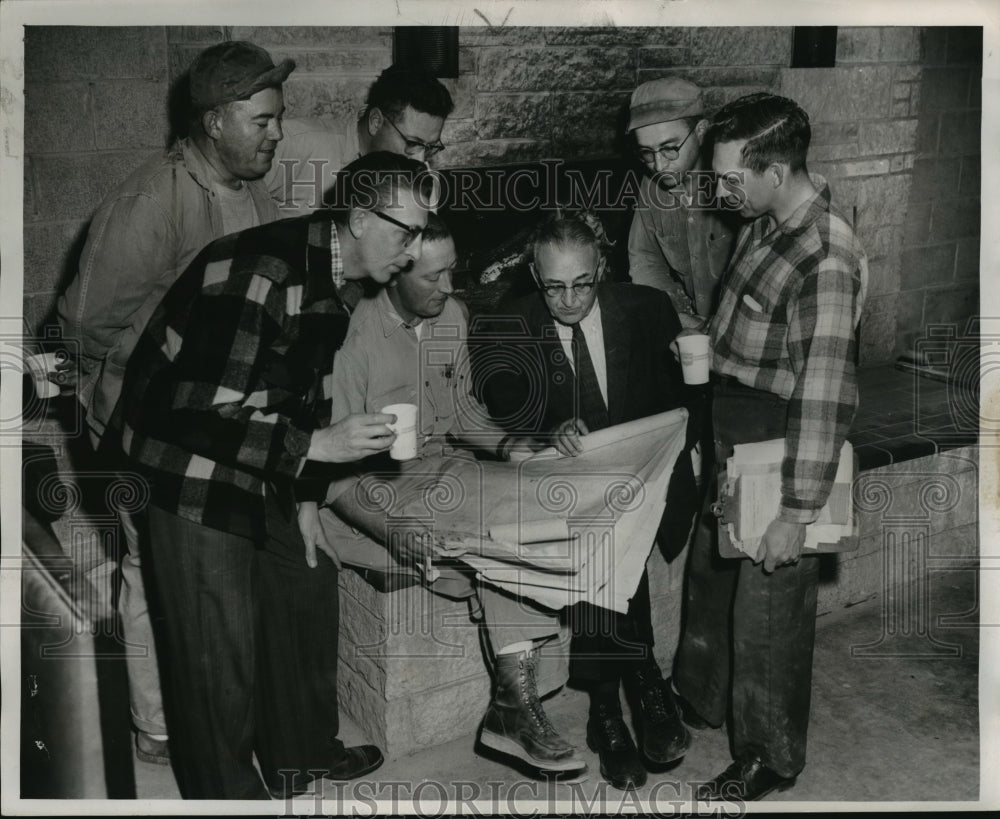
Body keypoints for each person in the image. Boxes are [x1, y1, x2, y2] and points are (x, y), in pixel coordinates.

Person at [118, 152, 432, 799]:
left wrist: (309, 495)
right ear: (356, 216)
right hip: (183, 469)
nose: (413, 251)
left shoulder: (343, 277)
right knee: (218, 660)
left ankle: (299, 755)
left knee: (307, 576)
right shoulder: (264, 270)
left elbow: (301, 390)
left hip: (257, 450)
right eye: (405, 232)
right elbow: (191, 410)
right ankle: (229, 793)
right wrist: (315, 444)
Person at [55, 40, 294, 766]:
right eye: (261, 120)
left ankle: (223, 712)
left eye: (277, 118)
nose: (275, 133)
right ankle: (156, 726)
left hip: (224, 427)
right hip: (147, 427)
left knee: (217, 576)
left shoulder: (254, 190)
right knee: (155, 578)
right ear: (214, 121)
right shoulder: (150, 202)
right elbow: (80, 323)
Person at [300, 214, 587, 778]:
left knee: (528, 511)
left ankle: (513, 703)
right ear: (396, 273)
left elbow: (464, 416)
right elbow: (329, 476)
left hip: (441, 474)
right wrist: (391, 532)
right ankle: (516, 705)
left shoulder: (451, 315)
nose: (450, 287)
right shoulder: (350, 335)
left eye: (452, 271)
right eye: (433, 277)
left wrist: (514, 448)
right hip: (371, 492)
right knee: (486, 544)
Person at [675, 93, 867, 802]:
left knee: (768, 607)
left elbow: (824, 393)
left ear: (777, 170)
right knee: (711, 575)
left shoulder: (825, 253)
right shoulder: (766, 216)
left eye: (730, 179)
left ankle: (769, 752)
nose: (720, 192)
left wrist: (795, 508)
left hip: (779, 440)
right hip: (732, 426)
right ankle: (700, 697)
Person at [471, 211, 702, 791]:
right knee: (601, 532)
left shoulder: (647, 310)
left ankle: (607, 708)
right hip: (563, 492)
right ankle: (635, 682)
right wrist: (549, 430)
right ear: (533, 273)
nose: (569, 299)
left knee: (613, 525)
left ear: (601, 267)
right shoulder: (508, 324)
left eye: (582, 283)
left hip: (644, 482)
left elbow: (684, 404)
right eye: (553, 286)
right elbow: (503, 410)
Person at [265, 63, 453, 216]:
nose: (419, 159)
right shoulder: (297, 143)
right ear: (376, 122)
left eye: (429, 147)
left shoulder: (420, 180)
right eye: (412, 143)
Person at [626, 78, 738, 330]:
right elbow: (645, 259)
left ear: (700, 131)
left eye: (669, 148)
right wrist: (678, 314)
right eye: (646, 152)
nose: (658, 165)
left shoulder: (734, 184)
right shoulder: (651, 184)